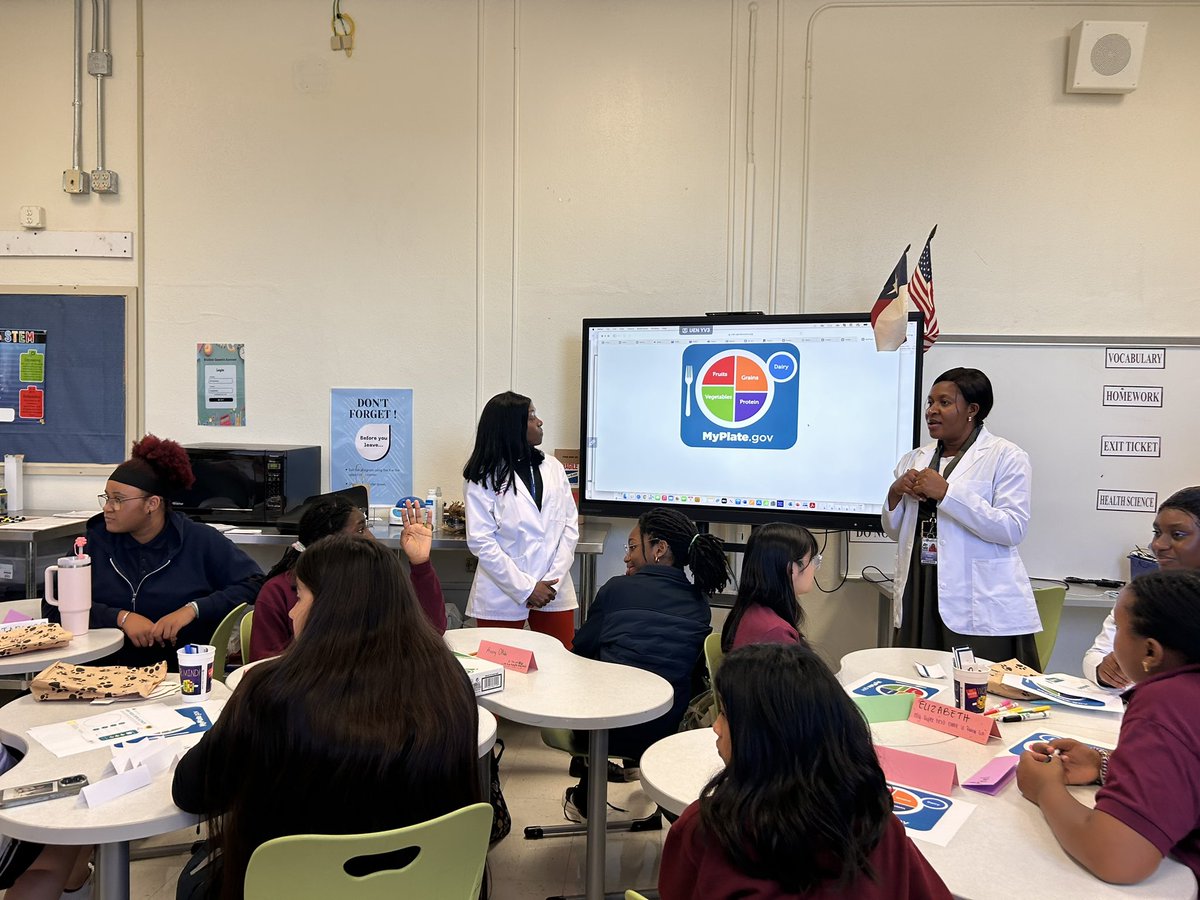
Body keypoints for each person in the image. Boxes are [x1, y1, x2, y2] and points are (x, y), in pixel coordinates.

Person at [172, 535, 481, 899]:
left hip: (292, 887)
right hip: (422, 884)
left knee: (191, 883)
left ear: (330, 608)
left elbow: (191, 790)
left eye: (300, 597)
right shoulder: (448, 681)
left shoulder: (270, 692)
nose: (291, 612)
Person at [659, 643, 952, 899]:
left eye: (724, 713)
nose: (715, 727)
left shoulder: (708, 831)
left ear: (765, 738)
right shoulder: (881, 830)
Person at [1016, 569, 1200, 885]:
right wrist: (1106, 764)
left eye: (1118, 627)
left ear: (1150, 652)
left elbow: (1119, 859)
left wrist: (1045, 789)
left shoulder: (1165, 702)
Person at [565, 507, 730, 819]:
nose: (627, 557)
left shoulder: (615, 589)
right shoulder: (699, 604)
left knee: (599, 673)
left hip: (605, 730)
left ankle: (588, 785)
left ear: (659, 549)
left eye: (632, 547)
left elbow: (581, 653)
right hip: (668, 732)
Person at [54, 434, 262, 667]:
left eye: (118, 500)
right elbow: (55, 605)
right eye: (107, 498)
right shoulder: (94, 542)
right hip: (103, 669)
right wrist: (120, 617)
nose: (108, 508)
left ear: (152, 504)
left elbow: (254, 583)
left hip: (179, 672)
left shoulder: (199, 541)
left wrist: (192, 609)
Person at [883, 367, 1040, 667]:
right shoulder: (914, 458)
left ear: (972, 410)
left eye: (944, 402)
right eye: (930, 402)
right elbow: (896, 532)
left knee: (978, 692)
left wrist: (946, 493)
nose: (931, 411)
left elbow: (1012, 528)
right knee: (916, 683)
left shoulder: (1006, 456)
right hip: (920, 585)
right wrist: (895, 494)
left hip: (978, 599)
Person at [248, 497, 447, 661]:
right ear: (328, 543)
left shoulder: (374, 578)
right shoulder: (277, 592)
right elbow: (262, 668)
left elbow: (433, 630)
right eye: (360, 530)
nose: (371, 538)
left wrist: (420, 563)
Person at [463, 391, 578, 648]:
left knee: (562, 666)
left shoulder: (553, 467)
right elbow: (481, 541)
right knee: (501, 669)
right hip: (502, 591)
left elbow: (569, 528)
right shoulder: (482, 477)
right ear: (511, 426)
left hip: (553, 589)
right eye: (531, 417)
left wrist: (552, 581)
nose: (540, 422)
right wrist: (526, 588)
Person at [1083, 486, 1200, 689]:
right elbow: (1096, 654)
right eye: (1157, 533)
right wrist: (1103, 670)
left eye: (1178, 534)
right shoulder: (1143, 596)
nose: (1158, 545)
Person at [719, 522, 818, 652]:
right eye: (814, 561)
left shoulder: (752, 610)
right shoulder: (776, 634)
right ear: (791, 569)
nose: (815, 567)